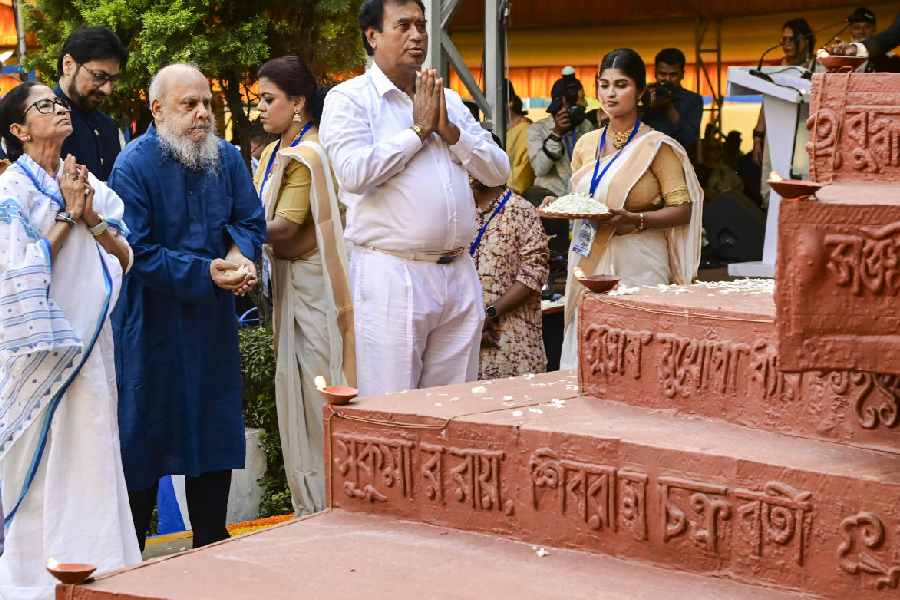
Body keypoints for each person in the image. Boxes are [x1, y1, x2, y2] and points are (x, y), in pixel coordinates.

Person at [109, 64, 266, 551]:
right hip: (151, 323)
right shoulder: (132, 166)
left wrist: (241, 259)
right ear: (157, 110)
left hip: (211, 321)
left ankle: (212, 545)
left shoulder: (228, 159)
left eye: (207, 105)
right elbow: (135, 250)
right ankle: (130, 551)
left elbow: (250, 221)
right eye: (189, 105)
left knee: (212, 431)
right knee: (144, 434)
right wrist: (206, 272)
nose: (202, 115)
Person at [320, 0, 510, 396]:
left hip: (459, 271)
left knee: (451, 410)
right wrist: (420, 131)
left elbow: (498, 172)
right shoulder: (350, 99)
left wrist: (450, 132)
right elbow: (354, 173)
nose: (418, 35)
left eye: (422, 26)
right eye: (403, 25)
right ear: (372, 36)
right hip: (392, 272)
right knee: (394, 409)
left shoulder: (448, 98)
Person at [0, 81, 139, 599]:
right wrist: (65, 214)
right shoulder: (10, 192)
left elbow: (125, 256)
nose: (57, 109)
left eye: (57, 103)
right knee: (38, 471)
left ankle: (102, 568)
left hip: (89, 348)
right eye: (43, 105)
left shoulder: (86, 182)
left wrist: (88, 215)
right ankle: (31, 585)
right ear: (18, 130)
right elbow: (17, 277)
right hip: (38, 359)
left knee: (93, 454)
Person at [556, 49, 703, 370]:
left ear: (639, 91)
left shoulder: (657, 147)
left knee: (638, 358)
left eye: (621, 85)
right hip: (589, 258)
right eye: (604, 84)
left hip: (639, 261)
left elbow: (683, 210)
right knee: (588, 357)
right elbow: (579, 200)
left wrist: (635, 220)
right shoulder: (586, 144)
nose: (610, 93)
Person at [254, 55, 354, 515]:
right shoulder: (277, 150)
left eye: (268, 100)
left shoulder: (308, 153)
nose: (260, 110)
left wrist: (230, 226)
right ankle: (308, 502)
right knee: (293, 394)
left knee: (317, 395)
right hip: (289, 284)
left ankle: (329, 501)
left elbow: (287, 226)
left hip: (313, 287)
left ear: (297, 103)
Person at [470, 175, 548, 379]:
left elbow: (534, 274)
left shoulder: (521, 210)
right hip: (464, 335)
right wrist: (470, 323)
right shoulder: (458, 211)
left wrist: (489, 314)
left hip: (509, 339)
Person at [55, 26, 129, 180]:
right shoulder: (34, 122)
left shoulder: (110, 128)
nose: (107, 89)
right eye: (98, 76)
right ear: (68, 64)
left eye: (113, 80)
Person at [527, 67, 595, 200]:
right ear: (561, 105)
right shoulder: (537, 129)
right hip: (551, 200)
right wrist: (556, 134)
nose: (585, 104)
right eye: (579, 101)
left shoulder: (586, 126)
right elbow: (540, 169)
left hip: (581, 199)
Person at [642, 48, 704, 160]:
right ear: (655, 73)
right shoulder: (644, 95)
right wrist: (645, 104)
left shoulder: (692, 100)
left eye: (673, 75)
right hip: (646, 160)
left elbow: (689, 138)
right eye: (662, 74)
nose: (667, 79)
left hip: (677, 161)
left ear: (682, 75)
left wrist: (669, 106)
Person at [505, 82, 534, 195]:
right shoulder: (493, 129)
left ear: (510, 102)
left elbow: (524, 171)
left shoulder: (526, 129)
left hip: (516, 196)